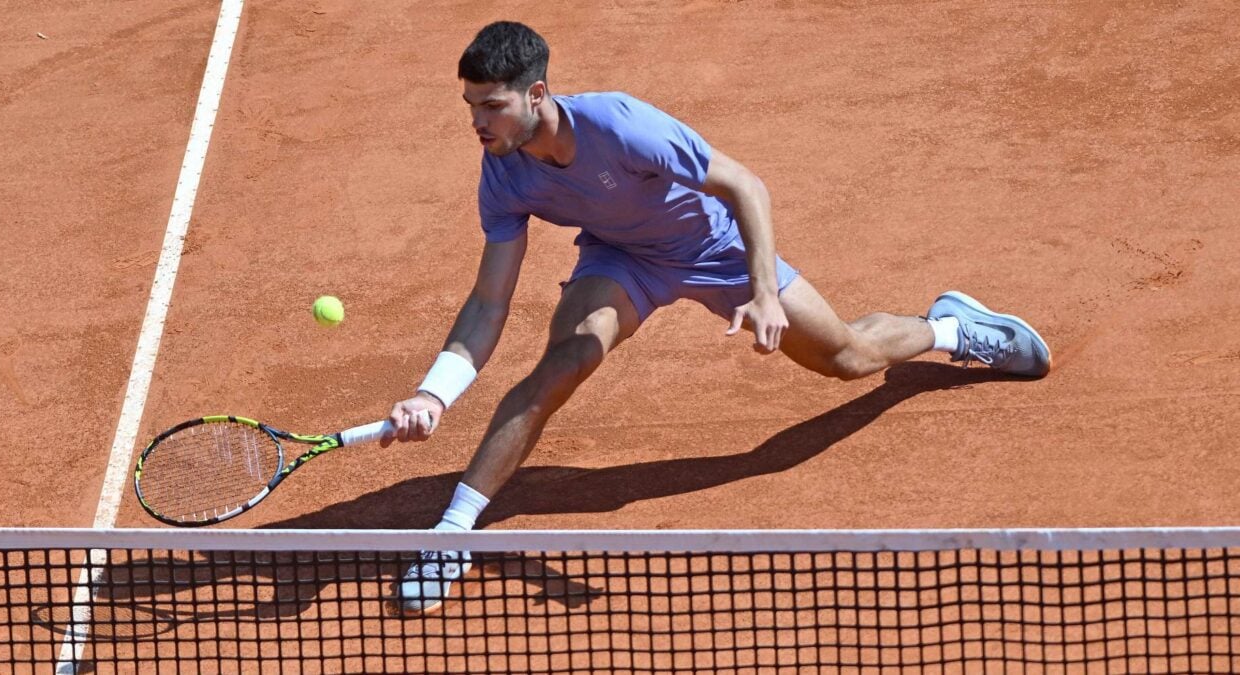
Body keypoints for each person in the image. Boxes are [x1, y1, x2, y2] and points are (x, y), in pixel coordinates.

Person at [380, 21, 1050, 614]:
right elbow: (489, 301)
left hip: (716, 250)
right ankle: (451, 535)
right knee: (565, 360)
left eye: (491, 106)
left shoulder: (620, 125)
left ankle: (950, 327)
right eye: (471, 106)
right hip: (622, 260)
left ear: (536, 95)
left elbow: (744, 185)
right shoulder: (502, 171)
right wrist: (435, 392)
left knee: (848, 357)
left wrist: (762, 292)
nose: (478, 122)